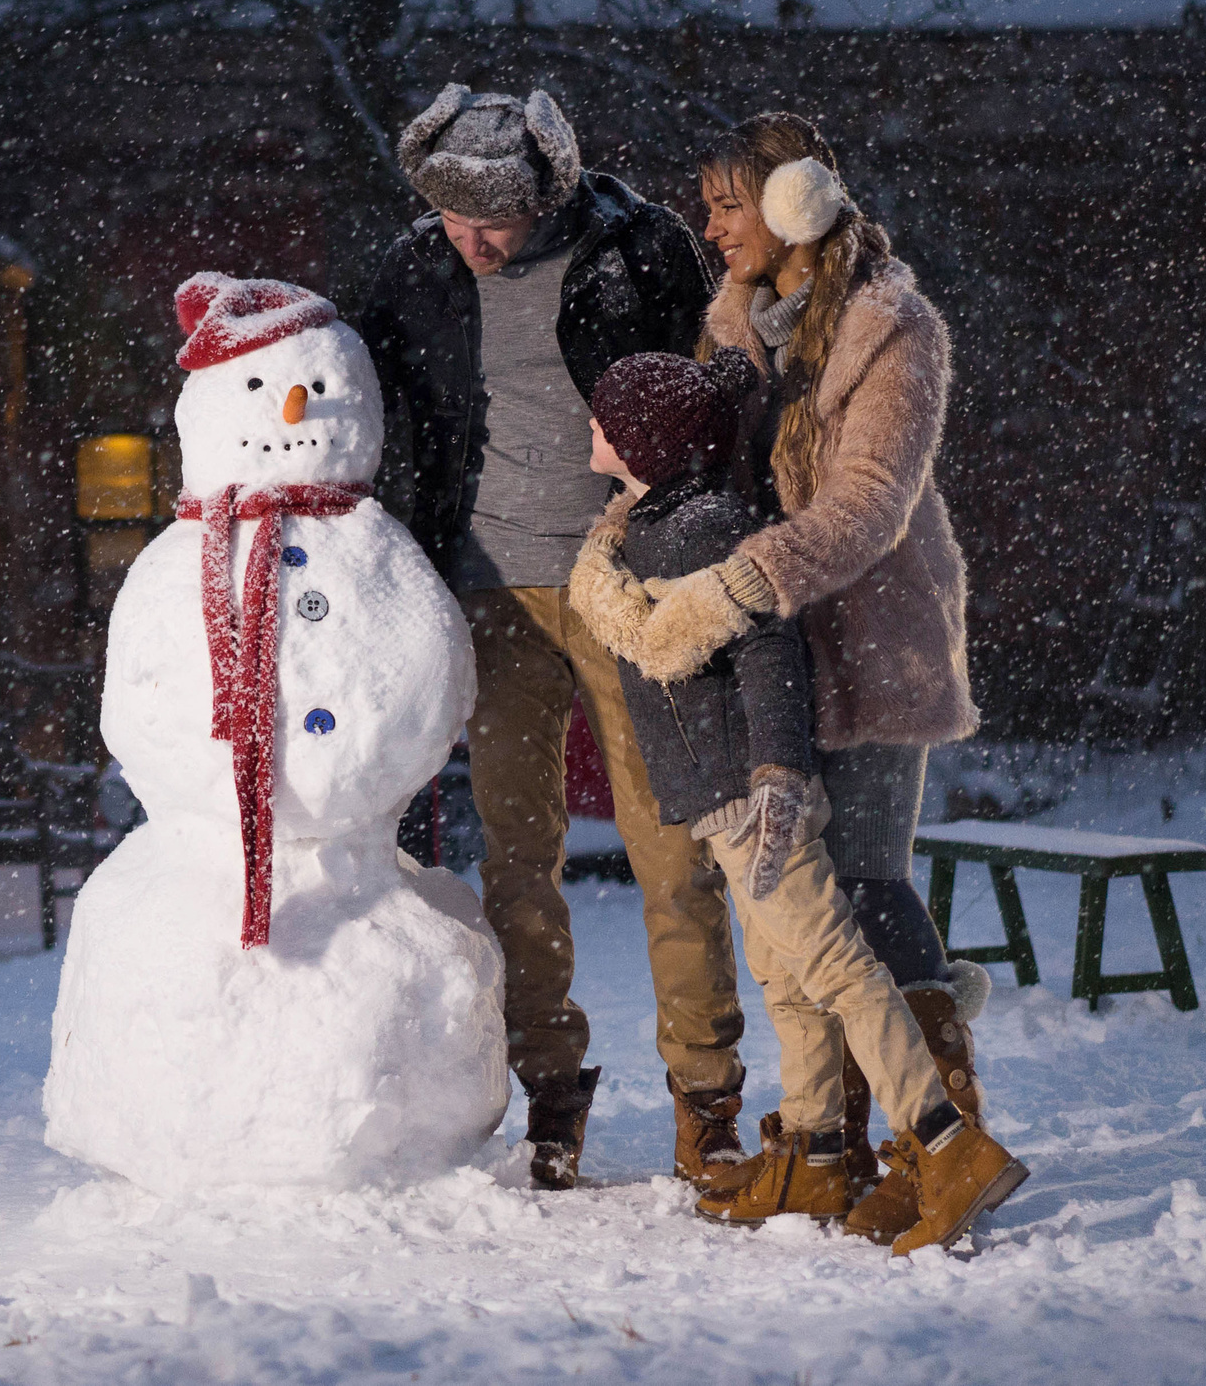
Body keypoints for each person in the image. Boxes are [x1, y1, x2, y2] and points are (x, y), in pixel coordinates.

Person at [576, 111, 992, 1204]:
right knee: (804, 909)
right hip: (774, 654)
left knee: (863, 880)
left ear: (789, 203)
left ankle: (942, 1140)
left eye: (724, 202)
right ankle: (838, 1143)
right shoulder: (735, 328)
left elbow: (866, 507)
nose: (708, 225)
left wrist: (730, 587)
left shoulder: (892, 329)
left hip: (869, 638)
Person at [358, 82, 742, 1192]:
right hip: (487, 587)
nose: (471, 241)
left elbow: (715, 391)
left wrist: (702, 536)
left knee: (671, 839)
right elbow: (365, 408)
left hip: (624, 577)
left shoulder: (640, 253)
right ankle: (549, 1084)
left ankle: (703, 1095)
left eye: (493, 222)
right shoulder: (415, 268)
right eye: (450, 217)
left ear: (547, 195)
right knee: (515, 852)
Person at [567, 348, 1027, 1250]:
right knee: (789, 984)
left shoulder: (704, 531)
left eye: (605, 416)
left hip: (753, 800)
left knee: (839, 970)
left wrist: (777, 774)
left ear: (644, 443)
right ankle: (817, 1153)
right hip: (723, 805)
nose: (590, 426)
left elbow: (771, 652)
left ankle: (946, 1142)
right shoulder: (651, 526)